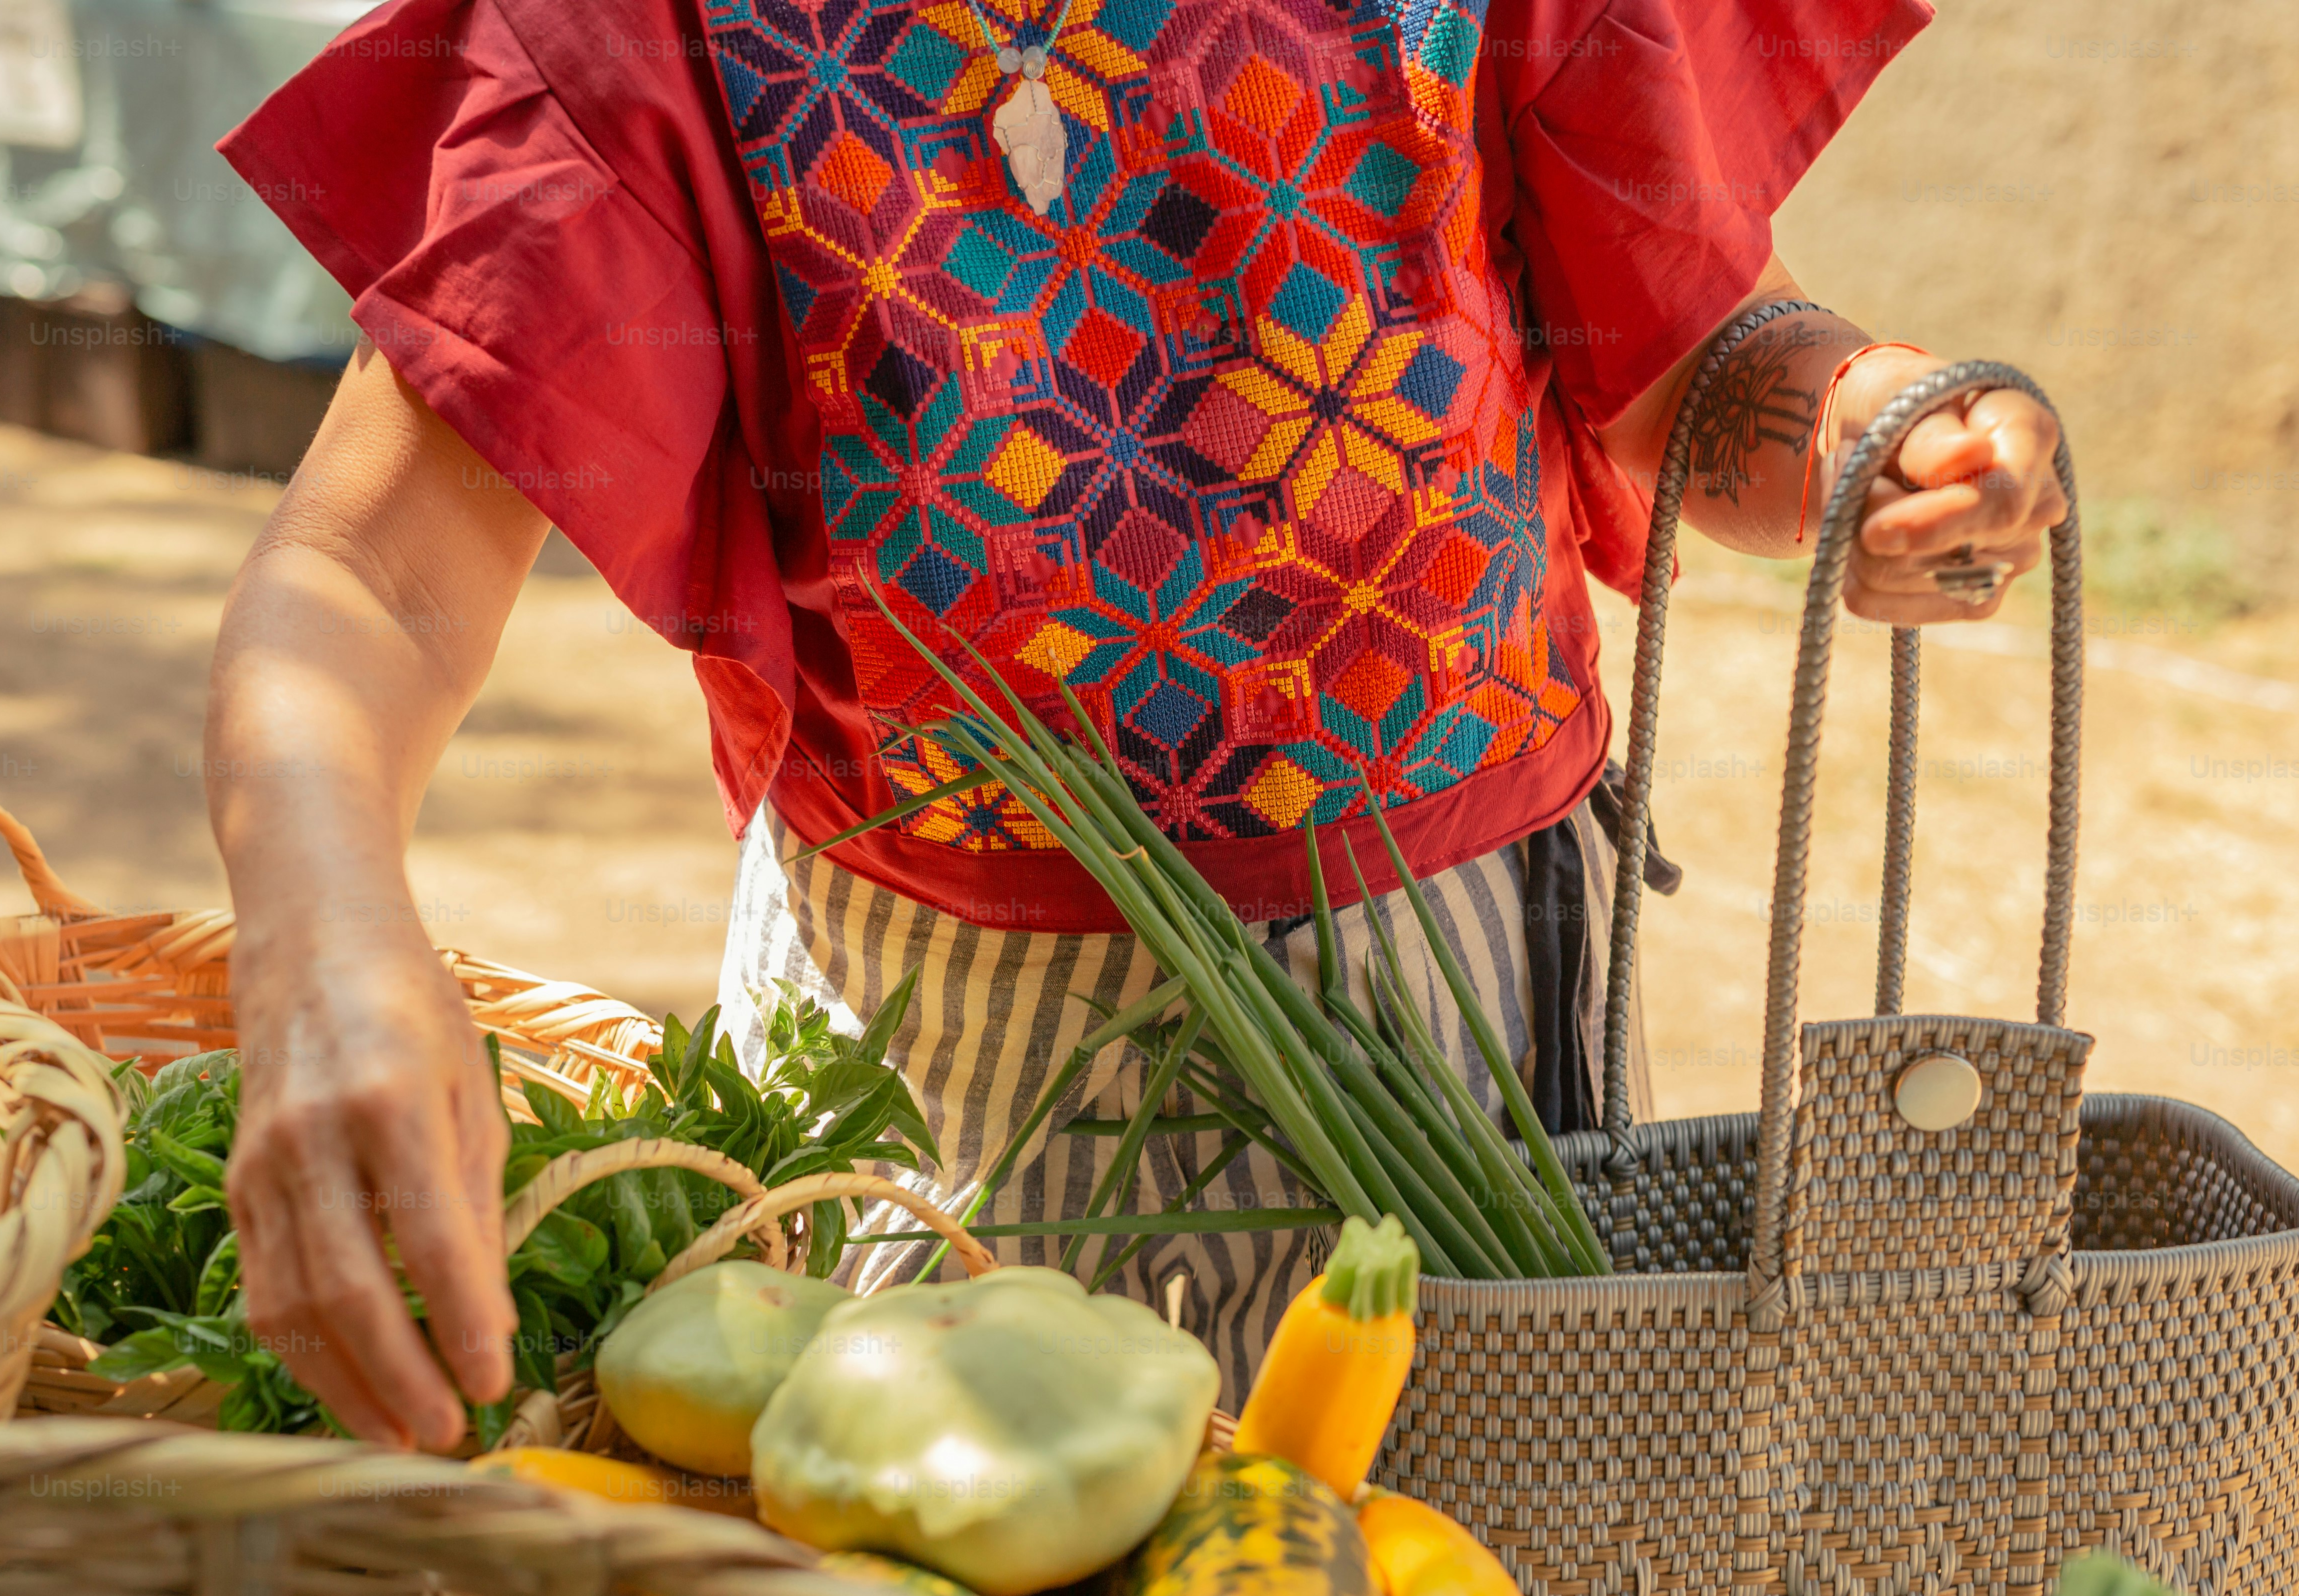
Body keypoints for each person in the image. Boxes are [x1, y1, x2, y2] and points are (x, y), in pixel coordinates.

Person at [205, 0, 2068, 1450]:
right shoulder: (662, 32)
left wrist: (1863, 438)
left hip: (1462, 1038)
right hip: (935, 1075)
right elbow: (376, 567)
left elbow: (1686, 370)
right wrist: (324, 942)